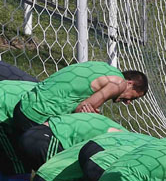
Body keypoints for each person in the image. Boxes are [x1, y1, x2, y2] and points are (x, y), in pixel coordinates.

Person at [11, 61, 148, 150]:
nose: (128, 102)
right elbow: (81, 114)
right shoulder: (119, 83)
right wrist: (93, 117)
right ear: (129, 83)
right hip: (38, 115)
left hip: (24, 105)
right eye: (133, 97)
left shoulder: (103, 68)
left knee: (17, 168)